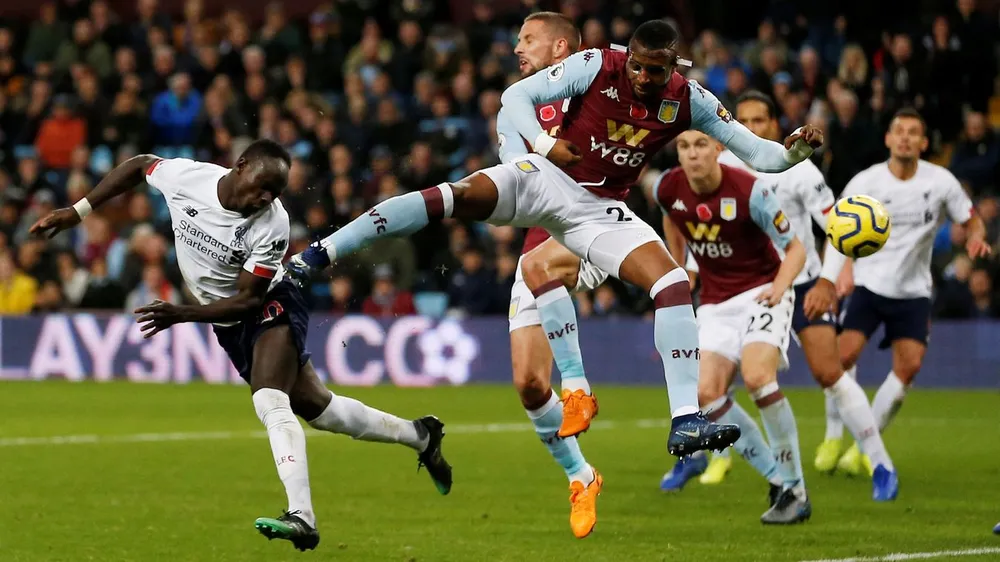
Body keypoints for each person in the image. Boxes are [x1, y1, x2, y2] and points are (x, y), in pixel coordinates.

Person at [288, 19, 823, 469]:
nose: (642, 77)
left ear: (672, 67)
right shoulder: (598, 64)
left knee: (671, 282)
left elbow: (763, 155)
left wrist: (794, 151)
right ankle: (321, 252)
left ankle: (684, 419)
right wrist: (546, 145)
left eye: (654, 71)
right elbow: (514, 97)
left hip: (598, 209)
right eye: (637, 66)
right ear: (629, 57)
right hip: (542, 178)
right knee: (447, 197)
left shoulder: (690, 100)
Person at [29, 140, 453, 553]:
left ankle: (302, 516)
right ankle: (420, 435)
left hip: (268, 304)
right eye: (262, 186)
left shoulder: (272, 222)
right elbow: (140, 164)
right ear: (241, 165)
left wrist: (183, 313)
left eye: (275, 192)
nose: (266, 197)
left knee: (270, 399)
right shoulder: (186, 179)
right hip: (228, 323)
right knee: (321, 411)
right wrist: (78, 210)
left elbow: (250, 299)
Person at [669, 90, 898, 501]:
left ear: (774, 125)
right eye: (743, 122)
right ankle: (705, 457)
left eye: (759, 121)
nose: (750, 129)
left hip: (802, 282)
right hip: (742, 288)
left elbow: (837, 226)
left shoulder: (798, 171)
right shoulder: (717, 163)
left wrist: (827, 281)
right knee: (711, 383)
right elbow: (701, 224)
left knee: (829, 373)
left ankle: (880, 462)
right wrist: (689, 270)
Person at [819, 108, 991, 476]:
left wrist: (976, 237)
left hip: (913, 291)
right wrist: (841, 271)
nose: (905, 138)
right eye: (899, 131)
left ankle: (863, 449)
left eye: (913, 132)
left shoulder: (941, 181)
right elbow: (837, 230)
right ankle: (833, 436)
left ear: (924, 142)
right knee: (838, 360)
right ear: (888, 139)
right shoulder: (866, 181)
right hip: (868, 285)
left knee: (908, 369)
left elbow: (971, 218)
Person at [653, 129, 811, 524]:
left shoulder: (750, 190)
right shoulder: (667, 187)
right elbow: (671, 218)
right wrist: (680, 267)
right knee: (706, 393)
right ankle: (778, 479)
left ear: (718, 148)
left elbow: (796, 248)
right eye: (684, 146)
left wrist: (780, 287)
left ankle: (796, 489)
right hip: (715, 302)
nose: (692, 154)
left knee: (758, 378)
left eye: (701, 145)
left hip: (763, 291)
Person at [501, 12, 605, 539]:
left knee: (542, 265)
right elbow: (514, 171)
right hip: (537, 241)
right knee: (527, 384)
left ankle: (578, 386)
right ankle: (581, 476)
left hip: (595, 224)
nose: (517, 48)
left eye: (528, 39)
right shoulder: (518, 105)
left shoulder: (593, 83)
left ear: (561, 46)